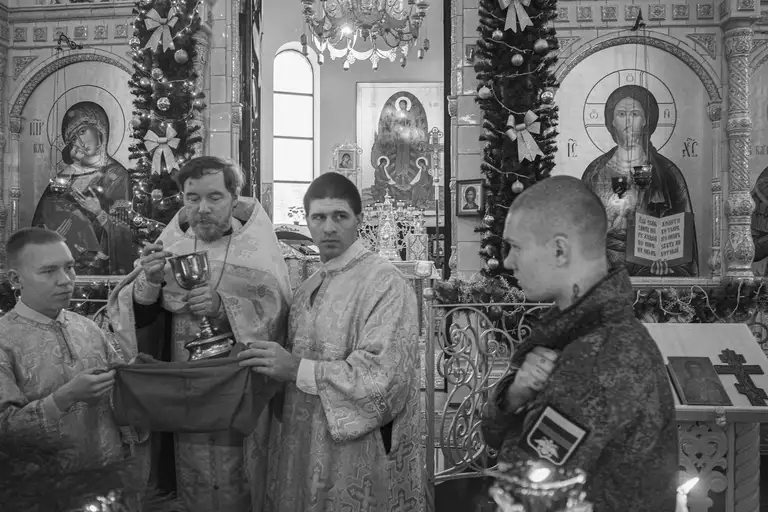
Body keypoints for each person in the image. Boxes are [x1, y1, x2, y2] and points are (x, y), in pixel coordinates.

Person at [481, 176, 678, 511]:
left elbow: (525, 492)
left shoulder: (596, 358)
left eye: (515, 246)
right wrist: (514, 395)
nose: (508, 262)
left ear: (560, 250)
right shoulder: (590, 333)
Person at [108, 156, 291, 512]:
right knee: (186, 474)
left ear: (234, 197)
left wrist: (225, 306)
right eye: (192, 198)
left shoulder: (258, 252)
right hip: (185, 387)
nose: (202, 208)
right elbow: (139, 317)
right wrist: (151, 280)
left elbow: (280, 316)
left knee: (237, 475)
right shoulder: (172, 245)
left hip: (236, 386)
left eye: (214, 197)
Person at [238, 172, 425, 511]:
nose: (328, 228)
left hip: (356, 455)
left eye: (340, 216)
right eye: (319, 217)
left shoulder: (385, 283)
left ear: (359, 220)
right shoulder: (309, 285)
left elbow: (384, 379)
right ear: (307, 221)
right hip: (304, 443)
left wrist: (296, 368)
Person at [0, 228, 126, 465]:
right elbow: (5, 429)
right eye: (49, 271)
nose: (66, 280)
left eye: (69, 267)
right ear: (16, 279)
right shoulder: (4, 340)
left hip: (108, 476)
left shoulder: (88, 327)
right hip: (40, 490)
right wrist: (64, 398)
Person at [581, 85, 698, 277]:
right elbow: (583, 229)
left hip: (650, 268)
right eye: (621, 114)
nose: (628, 122)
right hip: (603, 269)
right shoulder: (595, 172)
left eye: (635, 114)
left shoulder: (667, 173)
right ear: (611, 120)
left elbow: (681, 234)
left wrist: (669, 263)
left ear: (645, 121)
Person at [33, 101, 134, 275]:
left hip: (97, 271)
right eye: (73, 139)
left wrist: (98, 212)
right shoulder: (64, 177)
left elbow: (124, 233)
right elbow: (39, 224)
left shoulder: (117, 176)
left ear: (99, 127)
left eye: (82, 131)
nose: (80, 142)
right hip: (59, 264)